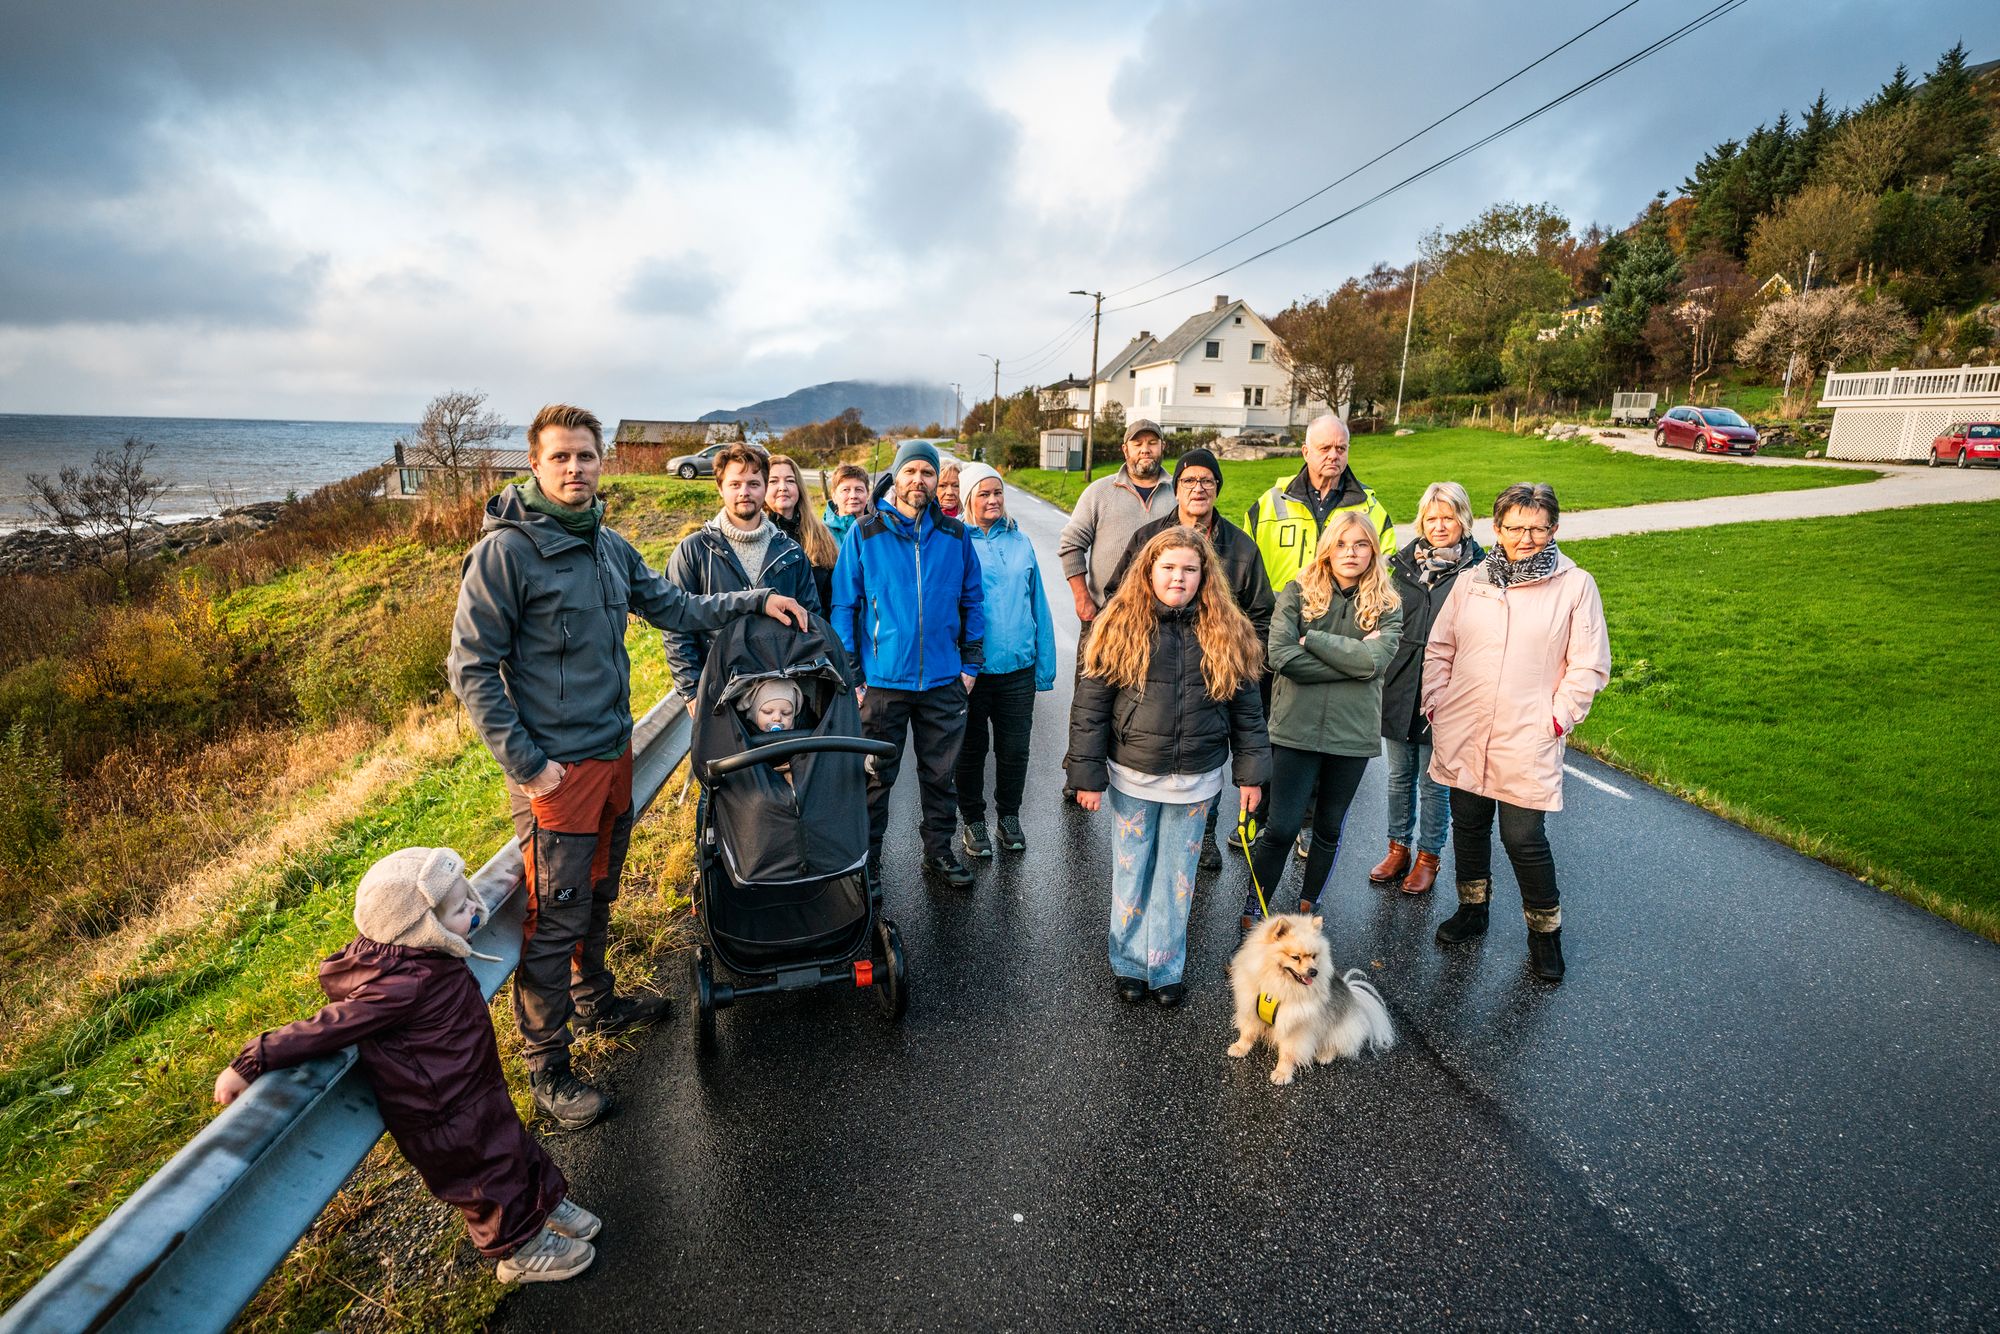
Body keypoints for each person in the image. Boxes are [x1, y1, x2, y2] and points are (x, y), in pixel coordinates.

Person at [448, 405, 809, 1127]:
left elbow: (674, 605)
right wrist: (527, 763)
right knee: (554, 915)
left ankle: (598, 1002)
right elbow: (470, 667)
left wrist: (757, 598)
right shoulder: (507, 553)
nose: (576, 468)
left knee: (600, 893)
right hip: (556, 771)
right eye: (561, 458)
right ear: (536, 466)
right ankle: (548, 1068)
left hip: (613, 755)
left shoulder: (607, 545)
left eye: (586, 456)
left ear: (600, 460)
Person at [215, 848, 600, 1284]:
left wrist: (461, 908)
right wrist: (251, 1060)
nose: (476, 908)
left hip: (474, 1087)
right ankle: (519, 1252)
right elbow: (325, 1028)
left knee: (515, 1147)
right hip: (442, 1113)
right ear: (422, 927)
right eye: (461, 908)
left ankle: (546, 1203)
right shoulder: (400, 984)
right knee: (487, 1179)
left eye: (471, 897)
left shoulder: (426, 954)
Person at [1066, 527, 1268, 1008]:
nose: (1178, 577)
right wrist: (1086, 775)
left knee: (1179, 878)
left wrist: (1252, 774)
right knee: (1133, 870)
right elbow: (1090, 707)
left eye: (1189, 569)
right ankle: (1129, 964)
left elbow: (1248, 712)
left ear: (1205, 576)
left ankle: (1165, 966)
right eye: (1168, 567)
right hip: (1134, 775)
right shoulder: (1118, 624)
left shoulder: (1228, 630)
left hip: (1196, 780)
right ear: (1149, 571)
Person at [1423, 482, 1610, 983]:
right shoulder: (1473, 580)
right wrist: (1437, 701)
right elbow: (1440, 648)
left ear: (1553, 529)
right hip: (1464, 725)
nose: (1525, 537)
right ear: (1497, 528)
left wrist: (1558, 717)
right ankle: (1472, 911)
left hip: (1527, 733)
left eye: (1537, 527)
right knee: (1468, 823)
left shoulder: (1575, 585)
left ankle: (1544, 937)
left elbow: (1588, 666)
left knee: (1524, 839)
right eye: (1514, 527)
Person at [1103, 446, 1273, 868]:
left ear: (1218, 489)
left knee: (1205, 756)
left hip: (1212, 675)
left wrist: (1239, 656)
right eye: (1189, 481)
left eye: (1207, 481)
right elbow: (1115, 598)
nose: (1198, 488)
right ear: (1175, 489)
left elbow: (1262, 614)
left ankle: (1205, 834)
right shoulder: (1148, 540)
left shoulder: (1242, 548)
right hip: (1155, 674)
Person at [830, 440, 986, 888]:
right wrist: (855, 675)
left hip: (943, 679)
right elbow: (844, 605)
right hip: (881, 682)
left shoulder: (956, 536)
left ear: (938, 481)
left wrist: (970, 665)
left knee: (941, 777)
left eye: (927, 472)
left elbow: (973, 600)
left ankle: (938, 853)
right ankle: (868, 864)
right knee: (875, 779)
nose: (919, 480)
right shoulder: (866, 532)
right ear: (896, 476)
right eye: (911, 471)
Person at [1243, 412, 1397, 860]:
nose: (1334, 455)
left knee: (1326, 736)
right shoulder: (1269, 503)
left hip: (1346, 640)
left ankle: (1307, 826)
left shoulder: (1371, 507)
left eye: (1341, 448)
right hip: (1280, 637)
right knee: (1275, 729)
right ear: (1305, 450)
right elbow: (1247, 572)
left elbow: (1384, 583)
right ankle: (1268, 819)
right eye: (1325, 447)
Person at [1244, 512, 1402, 925]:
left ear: (1373, 550)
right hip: (1295, 728)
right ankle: (1255, 905)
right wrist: (1354, 664)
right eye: (1342, 543)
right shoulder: (1296, 592)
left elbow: (1376, 660)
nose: (1351, 552)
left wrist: (1312, 640)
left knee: (1328, 830)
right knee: (1280, 828)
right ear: (1328, 548)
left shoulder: (1387, 603)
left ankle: (1307, 905)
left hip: (1351, 736)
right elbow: (1279, 656)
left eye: (1361, 544)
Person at [1054, 418, 1178, 798]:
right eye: (1137, 443)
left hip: (1165, 618)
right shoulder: (1100, 492)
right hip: (1106, 616)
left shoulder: (1178, 493)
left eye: (1152, 443)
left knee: (1149, 698)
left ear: (1162, 448)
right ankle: (1078, 772)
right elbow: (1071, 544)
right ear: (1125, 450)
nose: (1145, 450)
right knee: (1090, 697)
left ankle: (1141, 773)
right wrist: (1082, 598)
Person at [1371, 481, 1484, 897]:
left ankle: (1428, 857)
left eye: (1448, 517)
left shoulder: (1479, 570)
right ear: (1422, 521)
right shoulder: (1400, 565)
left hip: (1448, 688)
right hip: (1400, 683)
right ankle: (1397, 847)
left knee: (1435, 779)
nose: (1439, 525)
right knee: (1399, 774)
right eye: (1432, 518)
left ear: (1463, 519)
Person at [663, 442, 821, 712]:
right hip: (720, 693)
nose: (744, 492)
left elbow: (812, 619)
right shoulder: (693, 551)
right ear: (720, 488)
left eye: (753, 483)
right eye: (735, 484)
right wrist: (691, 690)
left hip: (781, 698)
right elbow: (677, 625)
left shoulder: (791, 553)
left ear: (765, 488)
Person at [952, 463, 1056, 858]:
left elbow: (1039, 605)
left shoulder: (1021, 542)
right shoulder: (958, 541)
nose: (993, 500)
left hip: (1018, 670)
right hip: (972, 674)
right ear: (967, 499)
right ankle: (974, 820)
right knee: (971, 750)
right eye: (984, 494)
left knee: (1015, 750)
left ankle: (1008, 816)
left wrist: (1043, 667)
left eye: (998, 493)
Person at [764, 452, 840, 618]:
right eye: (773, 481)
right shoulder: (756, 535)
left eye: (790, 481)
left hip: (816, 630)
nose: (783, 487)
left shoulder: (820, 534)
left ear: (799, 487)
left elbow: (833, 595)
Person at [822, 463, 871, 544]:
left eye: (859, 489)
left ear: (868, 494)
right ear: (834, 495)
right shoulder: (821, 534)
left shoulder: (879, 528)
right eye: (845, 490)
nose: (853, 496)